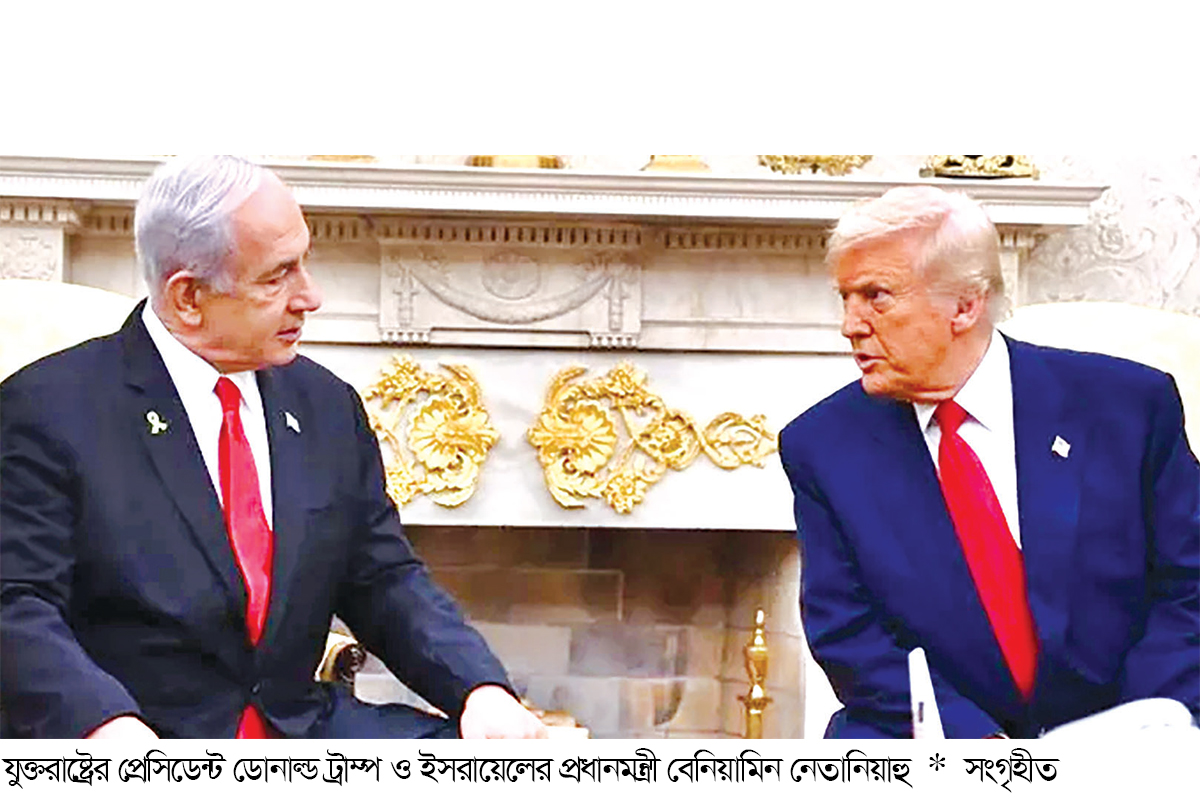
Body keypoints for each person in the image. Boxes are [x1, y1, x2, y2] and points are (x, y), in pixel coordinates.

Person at [0, 155, 547, 740]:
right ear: (188, 297)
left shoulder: (326, 405)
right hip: (140, 733)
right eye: (276, 276)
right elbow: (16, 601)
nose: (310, 296)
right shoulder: (49, 410)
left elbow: (382, 577)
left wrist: (478, 689)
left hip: (299, 726)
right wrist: (103, 724)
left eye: (303, 264)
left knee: (522, 770)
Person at [779, 185, 1199, 738]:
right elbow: (848, 634)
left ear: (964, 306)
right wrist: (982, 750)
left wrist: (1132, 730)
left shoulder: (1127, 408)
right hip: (935, 734)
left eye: (876, 297)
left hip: (1125, 727)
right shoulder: (822, 446)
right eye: (846, 298)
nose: (850, 324)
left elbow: (1188, 587)